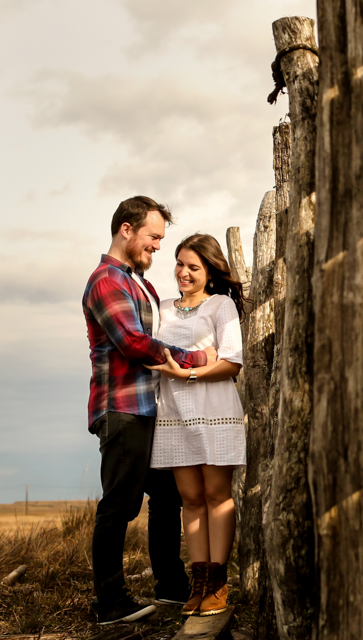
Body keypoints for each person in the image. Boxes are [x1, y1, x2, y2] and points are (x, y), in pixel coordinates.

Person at [82, 196, 217, 625]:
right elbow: (134, 344)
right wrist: (198, 359)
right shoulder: (106, 280)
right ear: (127, 229)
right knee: (120, 504)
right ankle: (111, 602)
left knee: (166, 495)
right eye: (153, 237)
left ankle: (171, 587)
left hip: (150, 408)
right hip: (121, 408)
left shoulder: (139, 282)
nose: (158, 247)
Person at [146, 233, 245, 617]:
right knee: (189, 499)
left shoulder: (220, 306)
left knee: (217, 496)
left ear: (209, 272)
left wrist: (188, 373)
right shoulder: (163, 307)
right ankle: (198, 579)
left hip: (214, 408)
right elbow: (153, 353)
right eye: (180, 264)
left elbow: (232, 362)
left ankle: (218, 584)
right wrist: (201, 357)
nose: (183, 273)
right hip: (173, 415)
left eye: (193, 267)